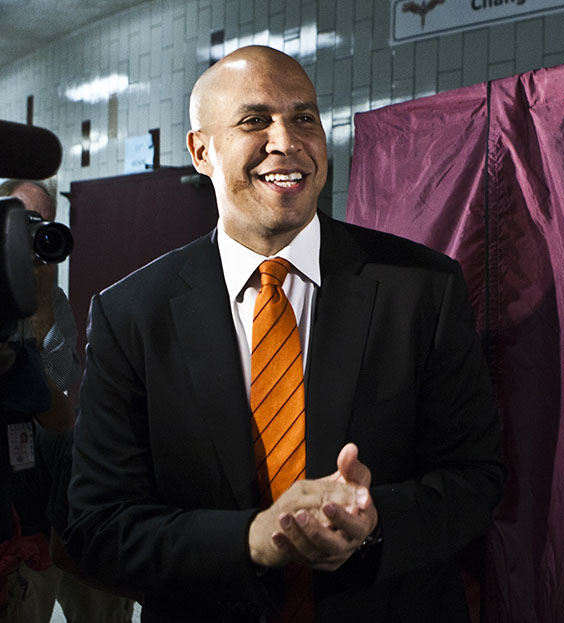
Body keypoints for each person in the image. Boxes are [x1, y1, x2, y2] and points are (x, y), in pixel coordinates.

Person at [64, 45, 504, 623]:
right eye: (254, 121)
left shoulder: (423, 288)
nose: (287, 140)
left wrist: (373, 524)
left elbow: (476, 477)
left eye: (304, 118)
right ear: (201, 151)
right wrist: (253, 538)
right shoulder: (132, 315)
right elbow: (99, 528)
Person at [0, 180, 134, 623]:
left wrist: (38, 312)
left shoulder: (51, 299)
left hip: (53, 495)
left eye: (41, 222)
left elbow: (58, 386)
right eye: (21, 220)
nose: (31, 232)